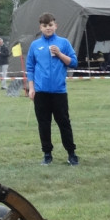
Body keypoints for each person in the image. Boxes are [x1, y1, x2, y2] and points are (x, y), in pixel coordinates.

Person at [25, 13, 79, 166]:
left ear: (56, 26)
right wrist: (31, 88)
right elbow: (30, 68)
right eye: (44, 26)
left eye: (50, 25)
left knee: (64, 122)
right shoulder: (35, 45)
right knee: (43, 123)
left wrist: (59, 54)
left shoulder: (63, 43)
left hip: (59, 92)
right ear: (40, 27)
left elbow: (74, 63)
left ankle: (71, 153)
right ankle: (47, 154)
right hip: (41, 92)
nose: (48, 28)